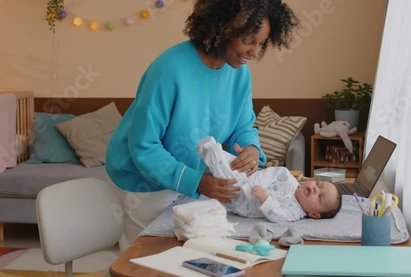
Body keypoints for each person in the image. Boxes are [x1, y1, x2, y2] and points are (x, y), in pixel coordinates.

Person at [105, 0, 299, 251]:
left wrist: (251, 148)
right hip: (142, 180)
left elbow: (243, 125)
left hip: (189, 178)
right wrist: (196, 182)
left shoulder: (239, 73)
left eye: (261, 43)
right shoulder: (169, 69)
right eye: (249, 40)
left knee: (188, 254)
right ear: (222, 29)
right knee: (146, 258)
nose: (255, 52)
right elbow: (144, 147)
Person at [198, 136, 342, 222]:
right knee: (236, 164)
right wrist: (253, 182)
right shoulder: (288, 178)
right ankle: (216, 154)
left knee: (228, 182)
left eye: (320, 197)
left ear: (314, 214)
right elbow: (270, 173)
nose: (316, 189)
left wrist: (266, 199)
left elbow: (278, 216)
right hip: (250, 180)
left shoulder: (295, 212)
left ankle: (213, 155)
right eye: (318, 183)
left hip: (241, 200)